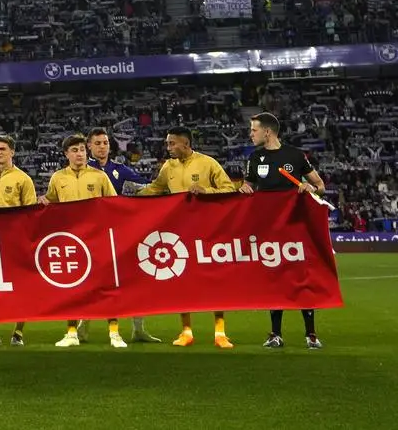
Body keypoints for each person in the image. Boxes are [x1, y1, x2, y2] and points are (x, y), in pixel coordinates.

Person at [136, 125, 236, 349]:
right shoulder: (168, 167)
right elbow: (155, 189)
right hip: (179, 233)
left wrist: (206, 191)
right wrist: (127, 197)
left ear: (186, 144)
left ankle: (220, 333)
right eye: (168, 143)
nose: (168, 147)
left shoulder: (208, 163)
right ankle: (186, 331)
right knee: (182, 282)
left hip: (208, 231)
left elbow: (229, 189)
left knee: (214, 283)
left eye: (172, 143)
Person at [240, 112, 327, 350]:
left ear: (267, 132)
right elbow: (248, 185)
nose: (250, 134)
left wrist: (310, 188)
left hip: (295, 227)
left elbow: (320, 186)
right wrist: (244, 189)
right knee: (274, 279)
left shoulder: (295, 155)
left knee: (301, 279)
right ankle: (275, 334)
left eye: (253, 130)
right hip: (269, 229)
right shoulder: (255, 157)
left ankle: (311, 334)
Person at [44, 135, 126, 349]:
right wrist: (43, 201)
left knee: (106, 286)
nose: (79, 153)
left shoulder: (99, 177)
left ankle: (114, 333)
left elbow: (114, 204)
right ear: (66, 154)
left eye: (82, 149)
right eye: (74, 150)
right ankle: (71, 333)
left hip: (97, 238)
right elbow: (51, 204)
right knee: (72, 288)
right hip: (71, 240)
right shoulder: (57, 178)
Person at [82, 127, 159, 345]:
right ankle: (81, 326)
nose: (102, 146)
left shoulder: (120, 170)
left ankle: (138, 329)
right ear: (89, 146)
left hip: (119, 235)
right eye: (97, 143)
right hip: (90, 236)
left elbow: (146, 188)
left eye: (105, 142)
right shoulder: (81, 171)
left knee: (133, 280)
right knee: (91, 283)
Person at [0, 135, 35, 347]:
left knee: (22, 288)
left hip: (15, 239)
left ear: (12, 151)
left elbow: (31, 213)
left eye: (3, 148)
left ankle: (18, 333)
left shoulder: (23, 179)